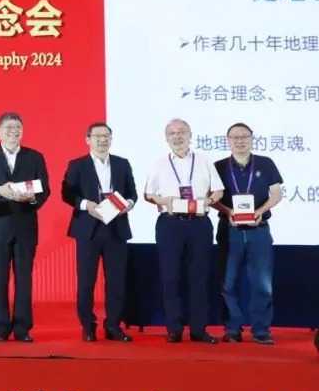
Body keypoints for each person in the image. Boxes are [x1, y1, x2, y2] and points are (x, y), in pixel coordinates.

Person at [143, 118, 223, 344]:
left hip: (199, 223)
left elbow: (218, 190)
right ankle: (174, 328)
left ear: (190, 135)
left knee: (199, 277)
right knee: (171, 277)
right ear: (166, 138)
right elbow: (148, 194)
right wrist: (163, 200)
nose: (177, 136)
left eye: (181, 132)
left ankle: (199, 329)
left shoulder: (205, 160)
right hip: (170, 224)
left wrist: (208, 200)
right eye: (172, 133)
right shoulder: (158, 163)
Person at [0, 112, 51, 342]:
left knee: (24, 279)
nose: (13, 132)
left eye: (17, 127)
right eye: (8, 128)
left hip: (25, 227)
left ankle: (22, 328)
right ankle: (1, 327)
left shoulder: (34, 157)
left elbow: (44, 189)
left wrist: (33, 199)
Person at [60, 122, 137, 342]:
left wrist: (128, 204)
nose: (103, 140)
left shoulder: (122, 164)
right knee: (86, 281)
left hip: (116, 228)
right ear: (88, 139)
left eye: (106, 136)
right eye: (97, 136)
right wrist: (87, 205)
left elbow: (132, 193)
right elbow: (67, 193)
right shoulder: (77, 165)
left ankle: (113, 325)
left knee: (116, 281)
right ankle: (88, 325)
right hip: (88, 229)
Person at [212, 122, 283, 345]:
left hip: (258, 231)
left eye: (244, 136)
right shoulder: (218, 166)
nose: (240, 141)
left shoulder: (265, 163)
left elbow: (276, 193)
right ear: (228, 140)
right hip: (229, 230)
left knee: (263, 284)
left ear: (252, 138)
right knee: (228, 282)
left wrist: (260, 211)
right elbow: (211, 198)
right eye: (234, 137)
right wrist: (228, 211)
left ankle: (261, 330)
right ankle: (233, 328)